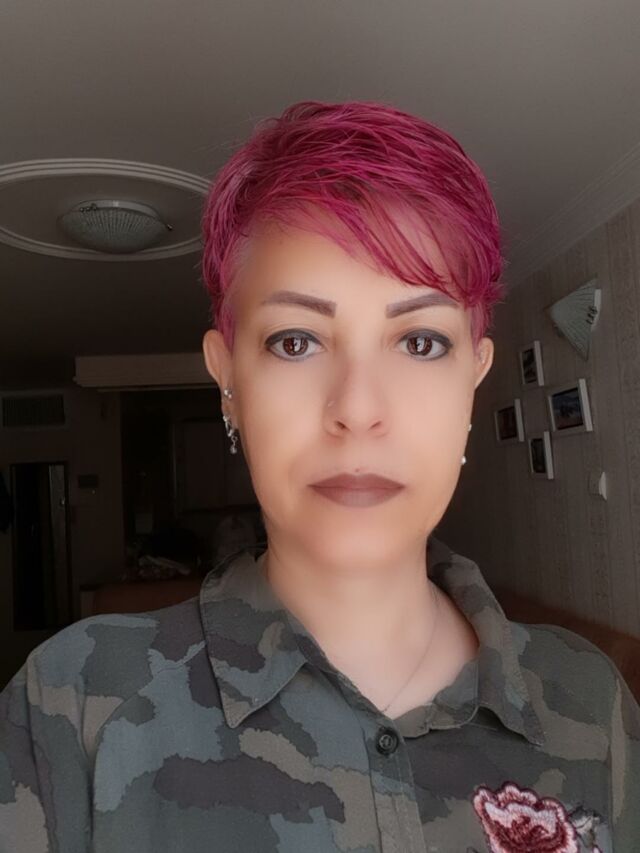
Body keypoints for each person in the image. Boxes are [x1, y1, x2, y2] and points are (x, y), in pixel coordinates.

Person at [1, 100, 638, 853]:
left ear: (474, 375)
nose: (357, 410)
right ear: (228, 379)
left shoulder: (589, 703)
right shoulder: (77, 702)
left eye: (421, 342)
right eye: (297, 341)